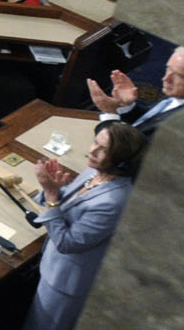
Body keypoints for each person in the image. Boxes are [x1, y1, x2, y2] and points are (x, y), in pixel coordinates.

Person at [22, 121, 146, 330]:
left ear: (122, 161)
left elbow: (67, 243)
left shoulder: (114, 201)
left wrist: (52, 195)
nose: (92, 151)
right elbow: (68, 203)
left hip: (66, 283)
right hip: (52, 265)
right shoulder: (94, 172)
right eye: (94, 143)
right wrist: (55, 189)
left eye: (103, 149)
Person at [88, 45, 184, 139]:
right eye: (168, 69)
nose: (166, 78)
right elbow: (149, 123)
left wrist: (110, 113)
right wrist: (128, 106)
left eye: (179, 76)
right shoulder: (182, 96)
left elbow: (118, 152)